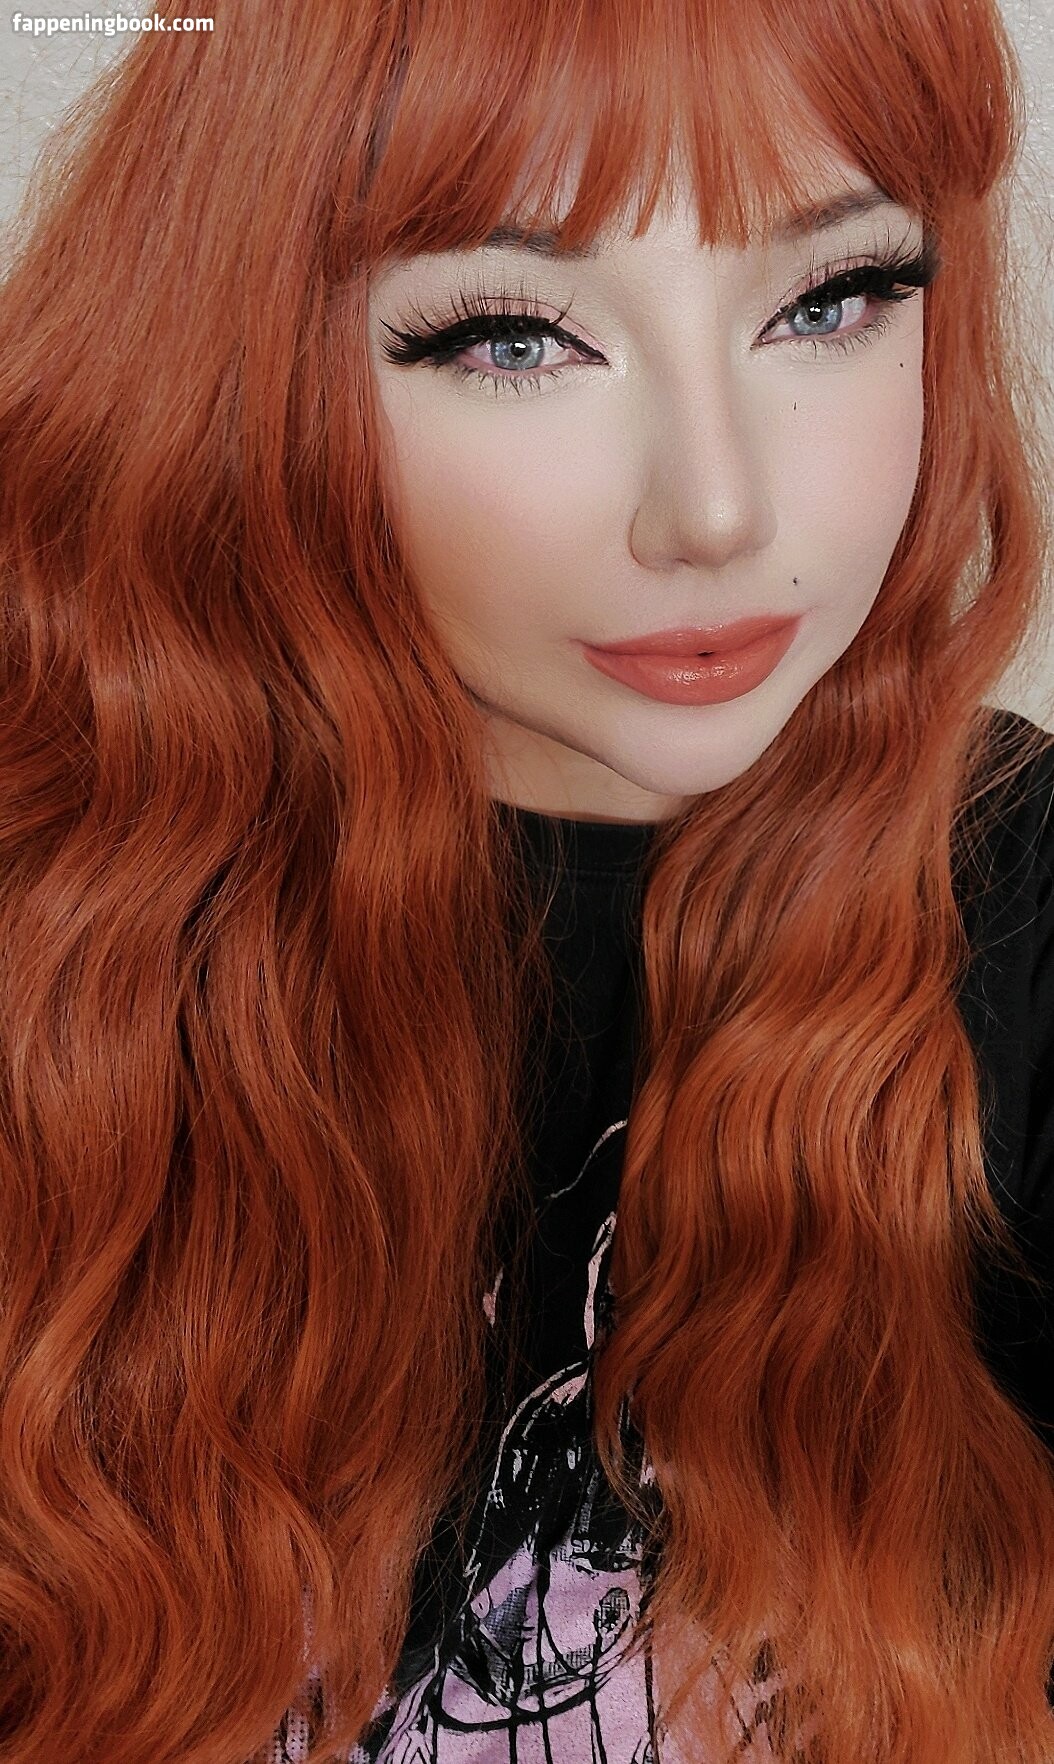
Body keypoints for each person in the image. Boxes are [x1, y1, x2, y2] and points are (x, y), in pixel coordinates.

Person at [0, 0, 1051, 1760]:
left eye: (830, 300)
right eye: (510, 336)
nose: (715, 512)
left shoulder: (1009, 892)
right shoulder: (49, 926)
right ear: (229, 368)